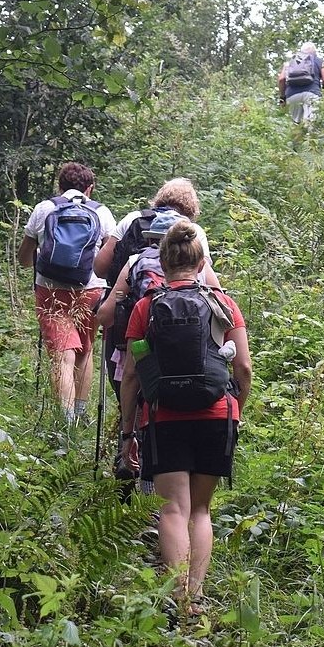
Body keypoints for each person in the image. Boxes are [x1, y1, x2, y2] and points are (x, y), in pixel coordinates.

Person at [118, 220, 252, 614]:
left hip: (164, 417)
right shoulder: (223, 304)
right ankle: (196, 594)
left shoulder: (146, 307)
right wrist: (236, 410)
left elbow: (131, 375)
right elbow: (243, 368)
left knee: (172, 508)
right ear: (202, 262)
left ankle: (178, 597)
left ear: (162, 263)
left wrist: (127, 433)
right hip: (217, 415)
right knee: (200, 509)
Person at [96, 210, 220, 498]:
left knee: (144, 415)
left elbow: (106, 316)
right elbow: (221, 307)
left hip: (144, 357)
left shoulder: (135, 262)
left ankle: (143, 490)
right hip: (197, 370)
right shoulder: (202, 270)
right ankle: (168, 495)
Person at [18, 162, 116, 425]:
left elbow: (24, 259)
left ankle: (66, 421)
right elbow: (110, 258)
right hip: (91, 290)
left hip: (51, 291)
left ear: (60, 186)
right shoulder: (102, 212)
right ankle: (81, 414)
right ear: (90, 188)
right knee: (85, 350)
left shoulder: (44, 209)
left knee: (63, 354)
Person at [277, 41, 324, 125]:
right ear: (314, 52)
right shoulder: (319, 61)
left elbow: (281, 79)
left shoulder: (290, 62)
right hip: (312, 94)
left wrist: (282, 98)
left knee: (294, 125)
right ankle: (309, 132)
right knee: (311, 124)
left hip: (292, 96)